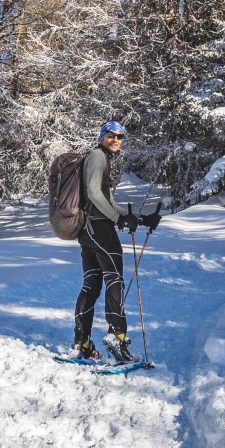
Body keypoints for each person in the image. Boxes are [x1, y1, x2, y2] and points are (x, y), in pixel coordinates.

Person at [71, 120, 159, 364]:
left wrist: (137, 218)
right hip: (100, 230)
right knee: (115, 280)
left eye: (120, 137)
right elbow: (93, 193)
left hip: (87, 231)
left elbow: (109, 202)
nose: (116, 140)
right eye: (111, 135)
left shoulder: (98, 159)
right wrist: (114, 219)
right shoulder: (98, 157)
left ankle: (82, 342)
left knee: (91, 286)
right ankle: (116, 337)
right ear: (102, 136)